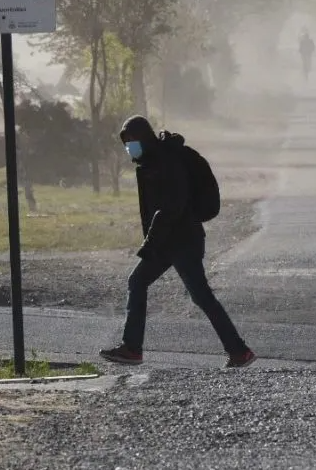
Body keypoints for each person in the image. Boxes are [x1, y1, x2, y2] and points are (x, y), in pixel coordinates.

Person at [99, 115, 257, 369]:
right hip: (168, 241)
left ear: (143, 138)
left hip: (183, 241)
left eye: (132, 141)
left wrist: (150, 243)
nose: (129, 147)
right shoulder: (152, 161)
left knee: (201, 296)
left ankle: (239, 351)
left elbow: (172, 207)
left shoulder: (165, 162)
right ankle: (132, 349)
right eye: (126, 142)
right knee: (139, 282)